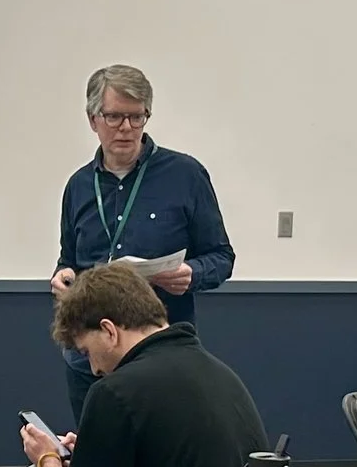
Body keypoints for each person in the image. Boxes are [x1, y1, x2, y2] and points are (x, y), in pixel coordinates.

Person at [0, 262, 266, 467]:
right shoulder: (222, 375)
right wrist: (95, 455)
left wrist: (47, 459)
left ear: (109, 331)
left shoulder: (113, 392)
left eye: (87, 351)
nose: (93, 368)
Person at [48, 64, 235, 418]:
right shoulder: (78, 186)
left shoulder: (185, 175)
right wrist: (64, 275)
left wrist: (191, 273)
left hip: (160, 356)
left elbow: (222, 256)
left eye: (137, 117)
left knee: (160, 455)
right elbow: (68, 258)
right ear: (93, 119)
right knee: (96, 454)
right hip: (91, 354)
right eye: (115, 116)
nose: (126, 128)